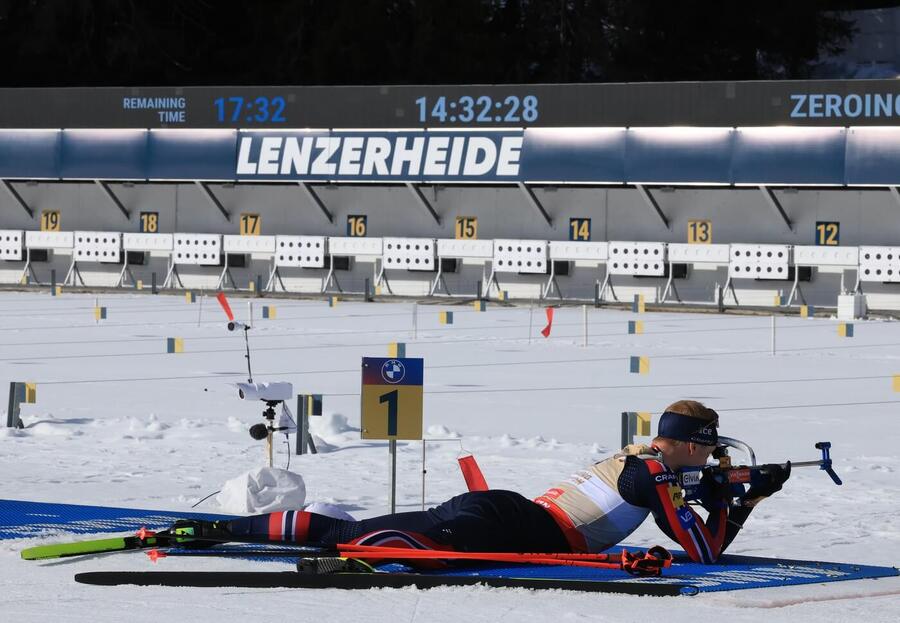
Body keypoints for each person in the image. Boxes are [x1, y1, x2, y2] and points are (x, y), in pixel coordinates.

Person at [179, 400, 789, 563]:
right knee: (415, 547)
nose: (708, 459)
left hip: (507, 511)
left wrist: (721, 493)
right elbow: (703, 550)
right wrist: (746, 503)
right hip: (523, 526)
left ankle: (215, 527)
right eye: (704, 449)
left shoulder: (644, 461)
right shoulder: (654, 472)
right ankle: (374, 552)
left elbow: (689, 510)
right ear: (681, 442)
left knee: (354, 527)